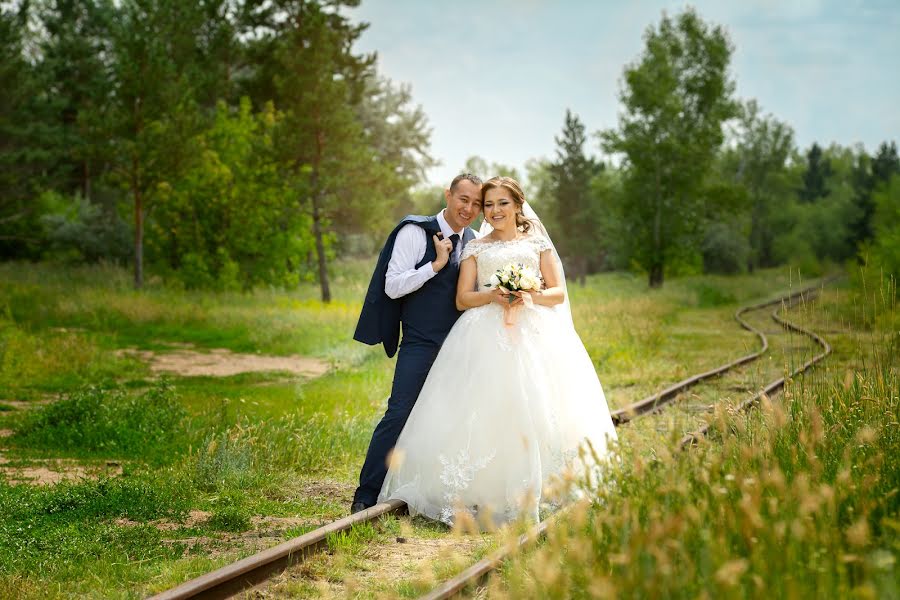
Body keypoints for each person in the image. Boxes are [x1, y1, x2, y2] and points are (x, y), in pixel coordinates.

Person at [378, 176, 618, 527]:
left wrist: (528, 294)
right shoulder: (477, 248)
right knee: (484, 410)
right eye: (488, 205)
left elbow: (558, 293)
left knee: (539, 405)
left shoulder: (537, 244)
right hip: (485, 335)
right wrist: (494, 295)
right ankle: (483, 493)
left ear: (518, 205)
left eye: (502, 203)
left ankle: (547, 487)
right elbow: (463, 299)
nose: (494, 211)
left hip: (535, 331)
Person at [350, 173, 484, 513]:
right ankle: (366, 493)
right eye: (463, 199)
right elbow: (392, 285)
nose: (469, 208)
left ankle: (432, 492)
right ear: (448, 195)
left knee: (451, 419)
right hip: (420, 342)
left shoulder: (476, 241)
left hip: (459, 346)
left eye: (476, 203)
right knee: (399, 413)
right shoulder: (415, 231)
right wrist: (435, 265)